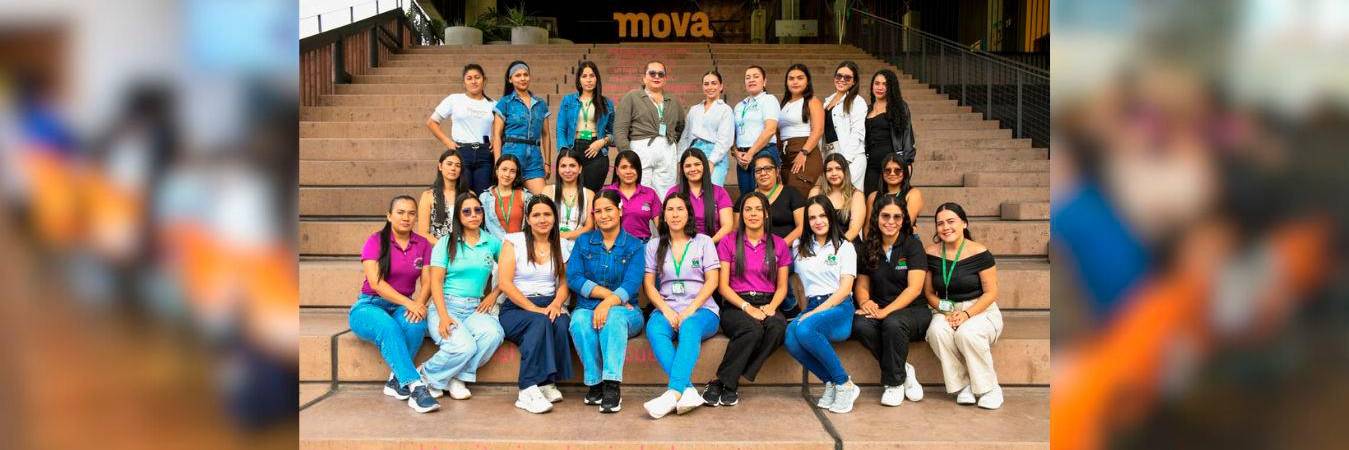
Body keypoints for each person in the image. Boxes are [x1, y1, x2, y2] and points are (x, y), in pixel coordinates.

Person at [348, 195, 439, 413]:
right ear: (389, 216)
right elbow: (376, 284)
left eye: (411, 213)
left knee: (416, 324)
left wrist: (419, 304)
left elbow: (427, 282)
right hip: (369, 305)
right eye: (400, 212)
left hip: (400, 306)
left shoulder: (423, 244)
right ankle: (416, 386)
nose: (406, 217)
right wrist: (410, 303)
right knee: (389, 327)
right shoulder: (375, 241)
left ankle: (395, 381)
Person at [704, 191, 792, 407]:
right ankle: (729, 383)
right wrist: (746, 307)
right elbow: (723, 286)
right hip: (736, 303)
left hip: (767, 301)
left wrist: (771, 307)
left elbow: (782, 286)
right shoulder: (728, 242)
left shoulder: (779, 244)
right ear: (741, 214)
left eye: (758, 209)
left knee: (778, 327)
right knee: (752, 330)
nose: (753, 214)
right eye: (748, 209)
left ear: (766, 214)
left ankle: (723, 380)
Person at [565, 189, 647, 413]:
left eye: (608, 209)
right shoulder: (583, 242)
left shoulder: (634, 245)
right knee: (579, 322)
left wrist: (609, 304)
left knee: (614, 318)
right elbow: (574, 277)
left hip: (627, 310)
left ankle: (611, 385)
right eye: (598, 211)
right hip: (588, 306)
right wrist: (607, 298)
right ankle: (595, 383)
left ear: (620, 210)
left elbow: (632, 283)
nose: (604, 215)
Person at [641, 192, 721, 419]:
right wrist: (666, 310)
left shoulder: (703, 241)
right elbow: (649, 285)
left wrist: (689, 310)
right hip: (667, 306)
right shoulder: (654, 245)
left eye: (680, 209)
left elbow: (713, 281)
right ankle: (688, 390)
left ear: (689, 214)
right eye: (670, 209)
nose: (675, 214)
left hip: (702, 309)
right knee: (654, 328)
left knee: (689, 326)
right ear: (664, 215)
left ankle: (674, 392)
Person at [422, 193, 506, 402]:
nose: (473, 215)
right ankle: (425, 375)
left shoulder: (492, 243)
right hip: (446, 305)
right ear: (458, 216)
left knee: (494, 334)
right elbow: (435, 282)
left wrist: (494, 294)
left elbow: (509, 273)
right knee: (464, 346)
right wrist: (443, 316)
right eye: (466, 211)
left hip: (475, 307)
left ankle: (457, 377)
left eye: (478, 210)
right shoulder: (446, 243)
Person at [923, 202, 1005, 410]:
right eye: (940, 223)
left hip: (979, 309)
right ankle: (963, 385)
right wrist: (946, 311)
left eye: (951, 221)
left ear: (964, 223)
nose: (945, 227)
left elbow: (991, 292)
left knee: (966, 333)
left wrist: (966, 314)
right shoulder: (930, 253)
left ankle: (989, 388)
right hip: (945, 308)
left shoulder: (980, 252)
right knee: (936, 331)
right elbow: (929, 293)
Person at [497, 196, 574, 414]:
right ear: (528, 219)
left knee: (560, 323)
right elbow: (504, 283)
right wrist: (533, 309)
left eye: (547, 214)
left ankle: (547, 382)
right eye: (536, 215)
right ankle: (527, 388)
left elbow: (565, 282)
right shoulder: (514, 241)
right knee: (540, 321)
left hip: (548, 302)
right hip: (516, 306)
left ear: (554, 218)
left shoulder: (562, 244)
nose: (542, 219)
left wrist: (557, 304)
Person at [852, 194, 929, 407]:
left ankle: (894, 383)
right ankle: (903, 368)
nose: (891, 221)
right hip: (881, 309)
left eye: (897, 217)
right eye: (885, 216)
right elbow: (862, 285)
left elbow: (914, 289)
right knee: (860, 324)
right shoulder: (868, 247)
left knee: (893, 323)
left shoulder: (912, 246)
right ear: (876, 217)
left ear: (904, 220)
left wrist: (886, 312)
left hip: (913, 311)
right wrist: (865, 302)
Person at [785, 195, 861, 414]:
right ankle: (831, 382)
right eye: (812, 217)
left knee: (805, 328)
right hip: (812, 305)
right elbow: (798, 283)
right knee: (790, 338)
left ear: (831, 217)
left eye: (822, 215)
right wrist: (807, 310)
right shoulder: (799, 246)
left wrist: (813, 313)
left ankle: (844, 383)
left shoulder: (844, 246)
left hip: (839, 306)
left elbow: (845, 289)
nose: (818, 221)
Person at [614, 60, 684, 195]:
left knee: (666, 190)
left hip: (667, 149)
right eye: (652, 73)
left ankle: (662, 210)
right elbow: (620, 129)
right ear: (644, 78)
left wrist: (671, 140)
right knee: (641, 188)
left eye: (660, 74)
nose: (656, 77)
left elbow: (681, 125)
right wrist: (627, 154)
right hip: (640, 148)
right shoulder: (632, 97)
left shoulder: (673, 100)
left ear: (665, 79)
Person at [427, 63, 495, 193]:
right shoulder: (454, 99)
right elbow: (432, 122)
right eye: (469, 78)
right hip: (462, 151)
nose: (473, 81)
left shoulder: (493, 104)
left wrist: (495, 140)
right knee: (462, 195)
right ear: (464, 82)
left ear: (484, 80)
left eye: (477, 77)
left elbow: (502, 128)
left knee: (484, 196)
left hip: (484, 154)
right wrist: (448, 142)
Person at [492, 60, 552, 194]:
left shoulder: (540, 104)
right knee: (509, 198)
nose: (523, 78)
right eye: (518, 75)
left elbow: (546, 134)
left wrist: (547, 163)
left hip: (534, 158)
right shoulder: (505, 102)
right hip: (511, 155)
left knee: (542, 198)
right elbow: (496, 135)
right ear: (510, 79)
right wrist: (498, 163)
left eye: (525, 75)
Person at [555, 61, 615, 192]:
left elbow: (614, 133)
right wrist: (564, 151)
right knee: (570, 192)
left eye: (592, 76)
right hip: (573, 148)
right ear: (579, 80)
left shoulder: (606, 103)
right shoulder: (568, 100)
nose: (588, 80)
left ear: (597, 79)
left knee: (591, 194)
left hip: (596, 150)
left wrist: (602, 142)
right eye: (584, 76)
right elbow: (561, 128)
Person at [677, 70, 735, 187]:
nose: (710, 87)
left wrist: (712, 161)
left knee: (712, 190)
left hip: (715, 154)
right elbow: (685, 136)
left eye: (714, 83)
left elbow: (725, 140)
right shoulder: (694, 109)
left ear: (721, 86)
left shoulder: (725, 110)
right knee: (692, 191)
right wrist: (680, 159)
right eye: (706, 84)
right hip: (693, 153)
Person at [665, 148, 734, 243]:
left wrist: (708, 244)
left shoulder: (720, 192)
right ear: (682, 169)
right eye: (688, 166)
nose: (693, 169)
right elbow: (667, 223)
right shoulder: (674, 192)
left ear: (704, 166)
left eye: (697, 164)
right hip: (682, 246)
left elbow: (727, 226)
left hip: (714, 245)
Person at [777, 63, 826, 196]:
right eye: (791, 78)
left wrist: (804, 152)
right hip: (785, 155)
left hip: (804, 152)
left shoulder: (812, 101)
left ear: (807, 81)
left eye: (800, 78)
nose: (795, 82)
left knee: (796, 196)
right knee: (787, 197)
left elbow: (818, 130)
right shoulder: (784, 103)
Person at [864, 69, 914, 195]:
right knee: (870, 200)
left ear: (891, 87)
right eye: (877, 83)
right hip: (871, 165)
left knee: (891, 202)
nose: (880, 87)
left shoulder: (900, 107)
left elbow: (907, 136)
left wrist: (907, 162)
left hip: (892, 165)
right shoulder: (866, 109)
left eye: (885, 84)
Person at [732, 66, 781, 189]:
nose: (751, 80)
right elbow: (733, 133)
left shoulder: (769, 100)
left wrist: (751, 153)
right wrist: (736, 153)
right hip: (743, 157)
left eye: (756, 76)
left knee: (766, 194)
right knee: (747, 195)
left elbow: (770, 129)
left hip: (764, 152)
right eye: (747, 77)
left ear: (764, 81)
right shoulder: (739, 106)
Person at [821, 61, 868, 190]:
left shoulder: (857, 102)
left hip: (851, 158)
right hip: (830, 154)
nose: (842, 80)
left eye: (847, 77)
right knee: (833, 196)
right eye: (839, 76)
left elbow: (857, 133)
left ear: (854, 81)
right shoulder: (827, 101)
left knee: (848, 196)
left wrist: (844, 160)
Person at [601, 150, 661, 241]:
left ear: (638, 170)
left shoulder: (649, 193)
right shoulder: (606, 193)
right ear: (617, 171)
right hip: (613, 244)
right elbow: (597, 225)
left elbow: (661, 226)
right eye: (624, 167)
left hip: (642, 245)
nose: (628, 171)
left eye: (633, 167)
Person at [418, 149, 473, 244]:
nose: (453, 168)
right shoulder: (428, 195)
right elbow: (423, 233)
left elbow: (474, 227)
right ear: (440, 166)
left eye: (457, 165)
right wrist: (444, 247)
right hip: (438, 248)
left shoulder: (469, 195)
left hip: (465, 247)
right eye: (449, 164)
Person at [808, 153, 866, 241]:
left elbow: (854, 230)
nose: (834, 173)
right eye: (829, 170)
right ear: (824, 173)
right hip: (820, 244)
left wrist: (836, 247)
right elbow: (808, 222)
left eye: (838, 168)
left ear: (845, 171)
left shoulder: (856, 195)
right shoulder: (816, 192)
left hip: (848, 243)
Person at [543, 148, 594, 247]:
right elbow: (542, 221)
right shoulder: (548, 191)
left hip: (579, 246)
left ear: (580, 169)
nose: (567, 170)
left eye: (572, 166)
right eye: (563, 166)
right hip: (551, 244)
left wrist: (564, 236)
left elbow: (589, 227)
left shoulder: (589, 194)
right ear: (558, 169)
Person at [864, 153, 923, 235]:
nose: (892, 173)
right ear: (882, 173)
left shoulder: (913, 193)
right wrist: (872, 242)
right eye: (887, 170)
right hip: (876, 241)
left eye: (897, 170)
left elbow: (906, 226)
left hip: (904, 240)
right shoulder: (873, 197)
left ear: (904, 172)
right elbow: (867, 228)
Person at [480, 155, 533, 239]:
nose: (507, 174)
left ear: (516, 174)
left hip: (520, 244)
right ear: (497, 171)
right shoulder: (484, 197)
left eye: (512, 171)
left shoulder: (525, 196)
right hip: (496, 245)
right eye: (504, 169)